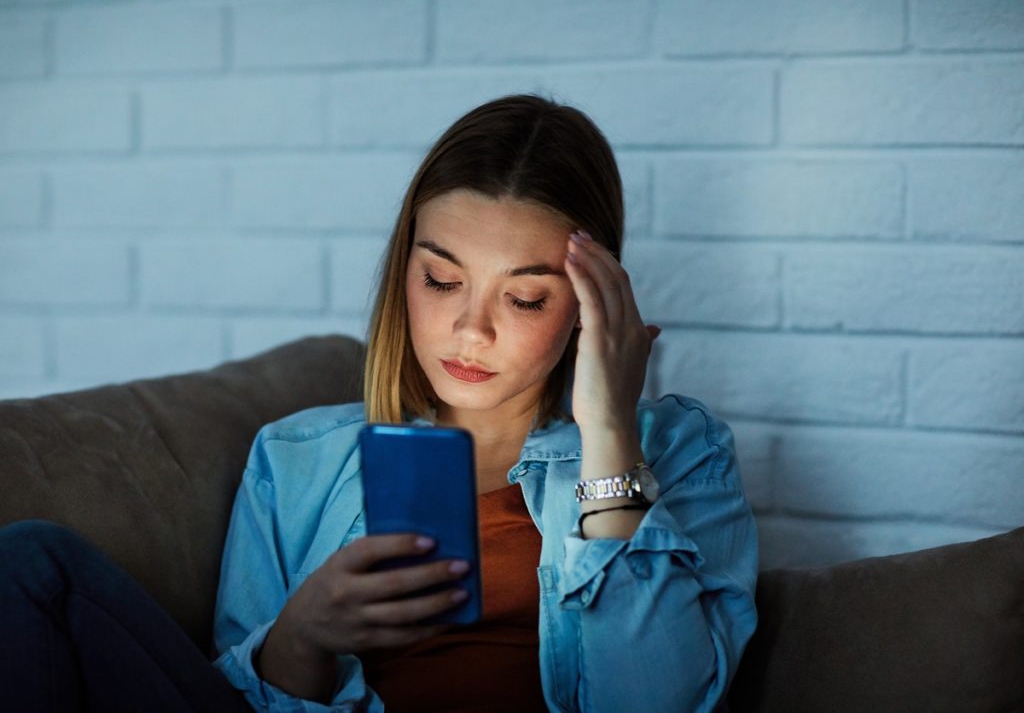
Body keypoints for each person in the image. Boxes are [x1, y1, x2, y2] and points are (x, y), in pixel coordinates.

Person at [0, 94, 757, 713]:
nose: (470, 328)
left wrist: (610, 432)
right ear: (404, 271)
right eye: (441, 279)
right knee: (34, 563)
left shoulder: (681, 451)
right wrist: (301, 635)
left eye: (524, 297)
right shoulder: (294, 459)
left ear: (595, 304)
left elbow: (660, 701)